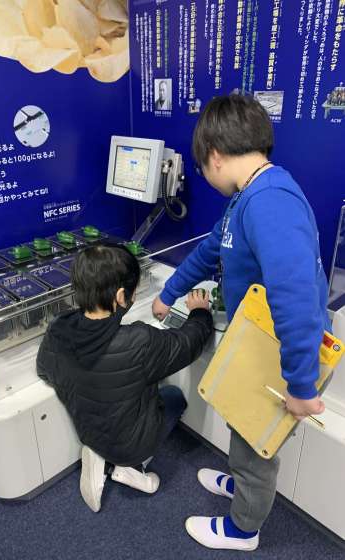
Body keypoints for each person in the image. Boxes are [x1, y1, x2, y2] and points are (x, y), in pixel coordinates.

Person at [152, 94, 330, 552]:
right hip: (253, 342)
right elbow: (209, 251)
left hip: (278, 352)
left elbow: (297, 299)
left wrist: (301, 384)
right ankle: (241, 482)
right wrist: (168, 294)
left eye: (201, 167)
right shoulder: (246, 198)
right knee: (240, 423)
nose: (205, 176)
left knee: (255, 442)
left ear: (214, 155)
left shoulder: (270, 202)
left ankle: (243, 529)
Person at [37, 243, 213, 513]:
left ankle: (99, 453)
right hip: (132, 446)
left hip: (88, 431)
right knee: (174, 397)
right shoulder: (138, 341)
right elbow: (188, 344)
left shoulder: (58, 329)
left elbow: (44, 369)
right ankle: (130, 467)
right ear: (120, 296)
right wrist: (200, 312)